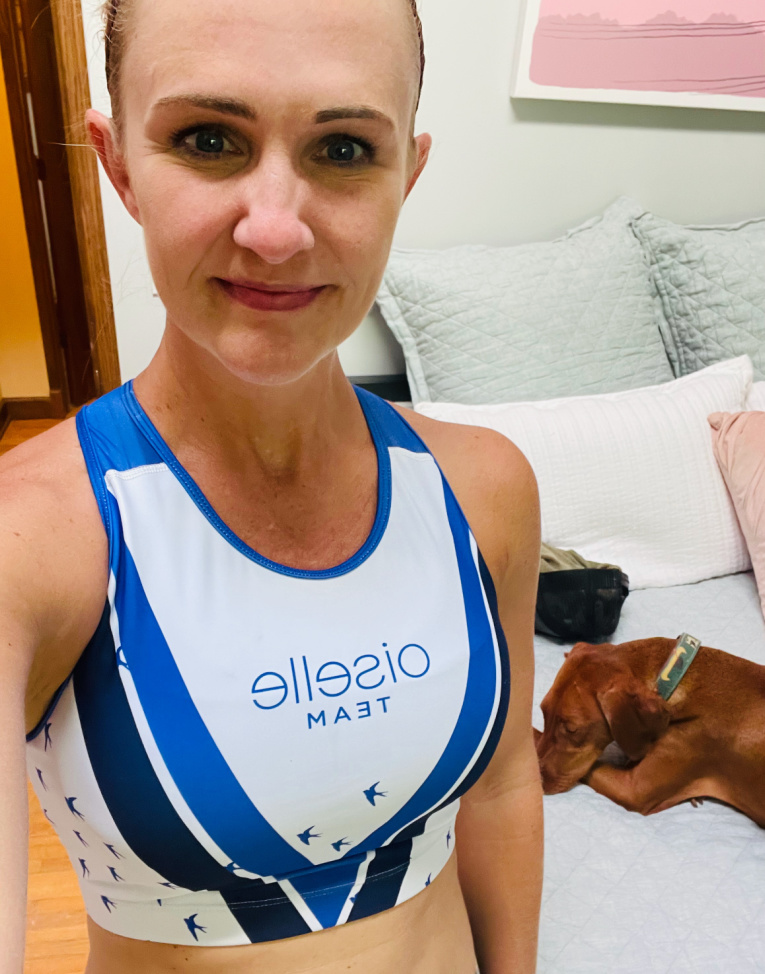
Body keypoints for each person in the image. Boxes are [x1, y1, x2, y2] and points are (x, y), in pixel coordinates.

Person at [0, 0, 543, 971]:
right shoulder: (32, 539)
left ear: (406, 177)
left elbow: (501, 786)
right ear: (118, 165)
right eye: (209, 139)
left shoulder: (484, 486)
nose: (277, 229)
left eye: (343, 149)